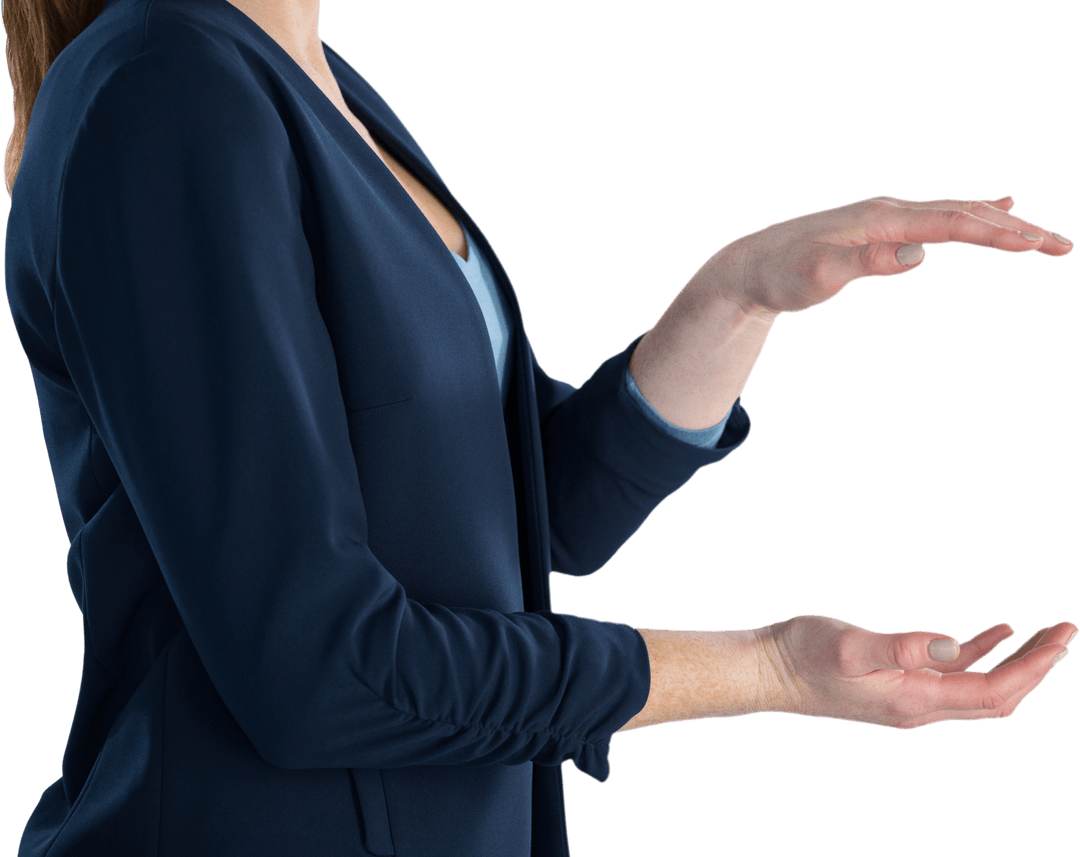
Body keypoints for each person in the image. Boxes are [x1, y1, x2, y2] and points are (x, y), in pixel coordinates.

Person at [2, 0, 1074, 855]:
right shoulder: (166, 90)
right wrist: (770, 669)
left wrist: (738, 294)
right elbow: (319, 665)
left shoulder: (313, 78)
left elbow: (526, 511)